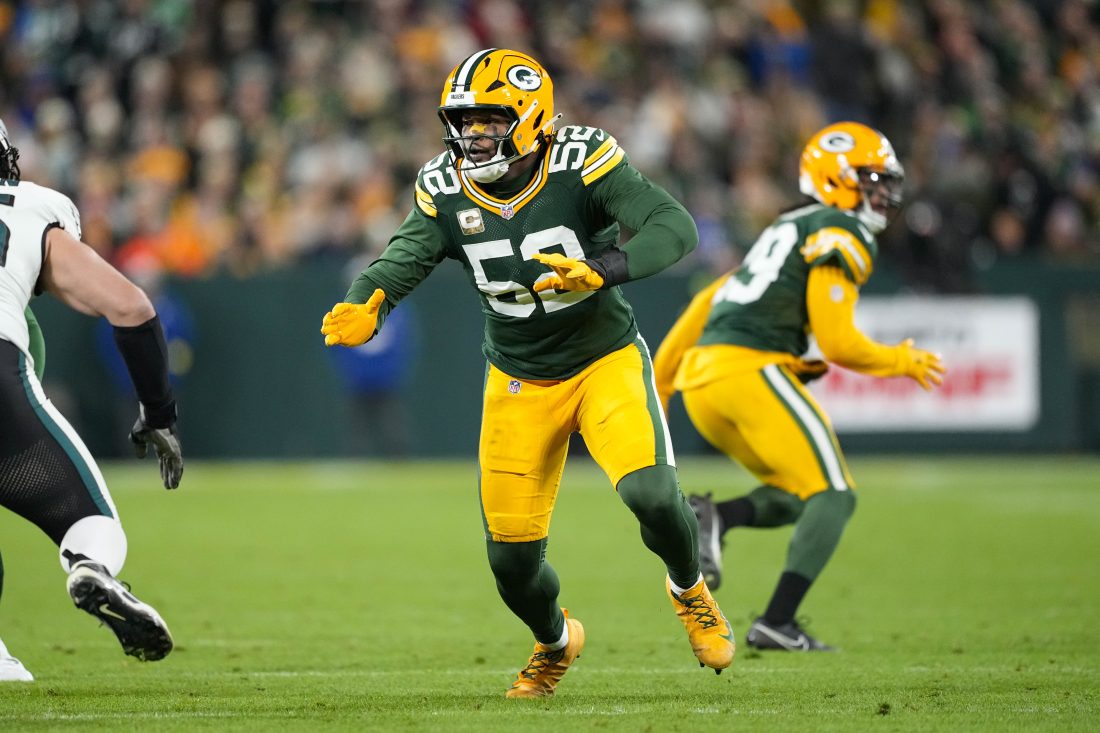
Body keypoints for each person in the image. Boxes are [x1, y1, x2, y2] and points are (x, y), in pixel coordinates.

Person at [322, 48, 734, 697]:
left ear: (530, 116)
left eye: (488, 120)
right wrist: (370, 294)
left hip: (603, 359)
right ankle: (556, 640)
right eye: (463, 121)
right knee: (511, 563)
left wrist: (604, 268)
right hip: (517, 378)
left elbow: (672, 225)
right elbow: (407, 251)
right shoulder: (444, 184)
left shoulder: (581, 159)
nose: (472, 135)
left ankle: (689, 588)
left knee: (653, 495)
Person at [654, 122, 946, 652]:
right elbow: (839, 343)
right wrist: (900, 359)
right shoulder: (837, 228)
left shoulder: (785, 227)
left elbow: (706, 303)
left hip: (706, 384)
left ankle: (718, 518)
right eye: (871, 179)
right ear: (836, 178)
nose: (883, 192)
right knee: (835, 495)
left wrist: (663, 385)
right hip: (747, 370)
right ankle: (777, 623)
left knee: (797, 496)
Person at [0, 118, 184, 682]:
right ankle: (90, 568)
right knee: (90, 523)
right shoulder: (27, 206)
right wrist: (159, 413)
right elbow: (130, 307)